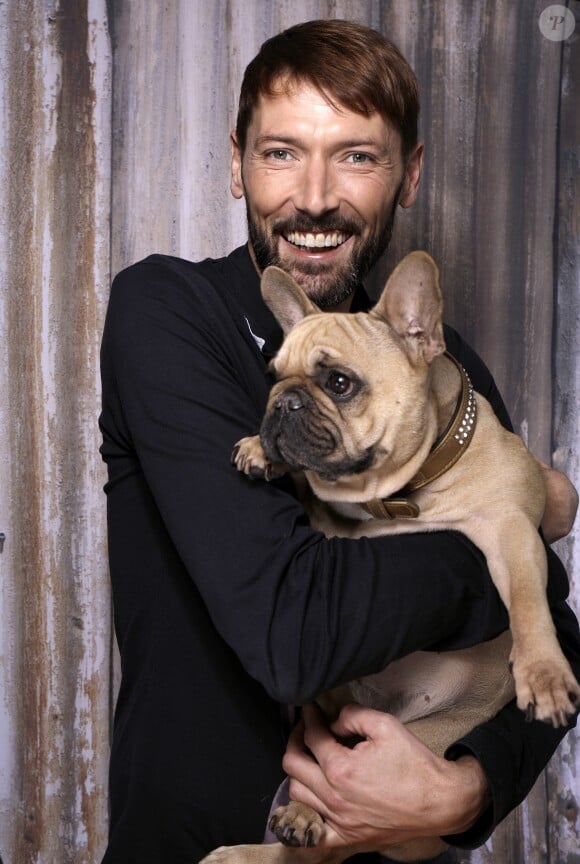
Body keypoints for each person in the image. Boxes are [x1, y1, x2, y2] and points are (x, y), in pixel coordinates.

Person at [98, 19, 580, 864]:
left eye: (356, 156)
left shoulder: (440, 360)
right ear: (237, 157)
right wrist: (510, 520)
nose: (314, 196)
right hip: (199, 842)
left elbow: (556, 630)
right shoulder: (167, 313)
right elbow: (296, 632)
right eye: (282, 152)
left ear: (408, 173)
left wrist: (467, 790)